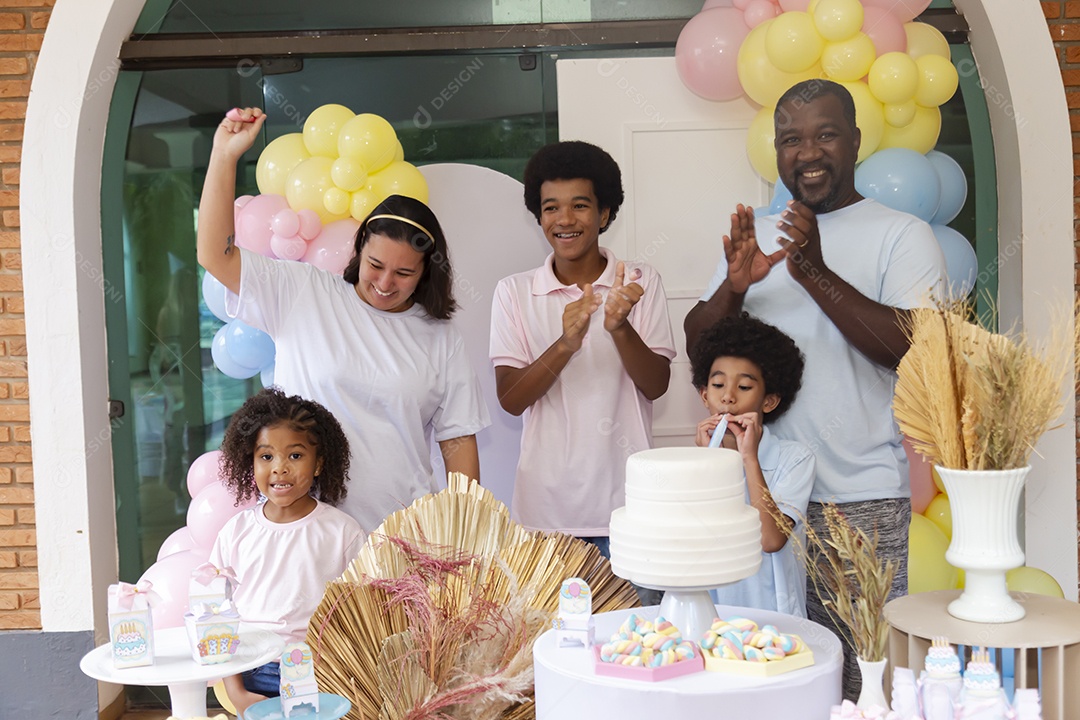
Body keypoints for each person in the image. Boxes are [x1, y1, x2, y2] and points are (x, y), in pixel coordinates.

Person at [683, 80, 944, 698]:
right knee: (760, 678)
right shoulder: (755, 235)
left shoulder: (901, 235)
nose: (808, 152)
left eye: (825, 134)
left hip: (857, 502)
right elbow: (700, 346)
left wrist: (816, 273)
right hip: (755, 504)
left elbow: (905, 345)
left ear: (856, 141)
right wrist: (736, 287)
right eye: (791, 139)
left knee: (862, 681)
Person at [198, 107, 490, 533]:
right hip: (307, 537)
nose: (386, 283)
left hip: (402, 539)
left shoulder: (440, 337)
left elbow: (458, 440)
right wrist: (224, 156)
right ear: (359, 250)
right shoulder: (302, 291)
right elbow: (215, 254)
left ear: (427, 272)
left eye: (404, 273)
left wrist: (467, 532)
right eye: (375, 265)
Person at [489, 140, 676, 603]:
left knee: (634, 656)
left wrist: (618, 327)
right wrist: (566, 344)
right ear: (539, 216)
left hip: (629, 514)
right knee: (551, 662)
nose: (565, 220)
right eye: (551, 207)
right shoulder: (514, 293)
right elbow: (511, 399)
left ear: (605, 213)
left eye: (580, 206)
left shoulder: (639, 281)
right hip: (545, 520)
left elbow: (656, 384)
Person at [210, 388, 364, 717]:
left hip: (320, 672)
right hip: (249, 670)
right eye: (266, 457)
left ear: (319, 462)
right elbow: (215, 616)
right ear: (249, 462)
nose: (280, 468)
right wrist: (236, 691)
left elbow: (359, 616)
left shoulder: (342, 532)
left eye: (295, 456)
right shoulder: (236, 532)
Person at [690, 313, 814, 617]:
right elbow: (693, 544)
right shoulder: (692, 464)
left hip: (775, 620)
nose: (728, 397)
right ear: (705, 395)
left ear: (769, 402)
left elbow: (770, 540)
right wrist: (710, 465)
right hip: (713, 616)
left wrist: (749, 458)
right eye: (718, 385)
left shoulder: (794, 459)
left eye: (744, 388)